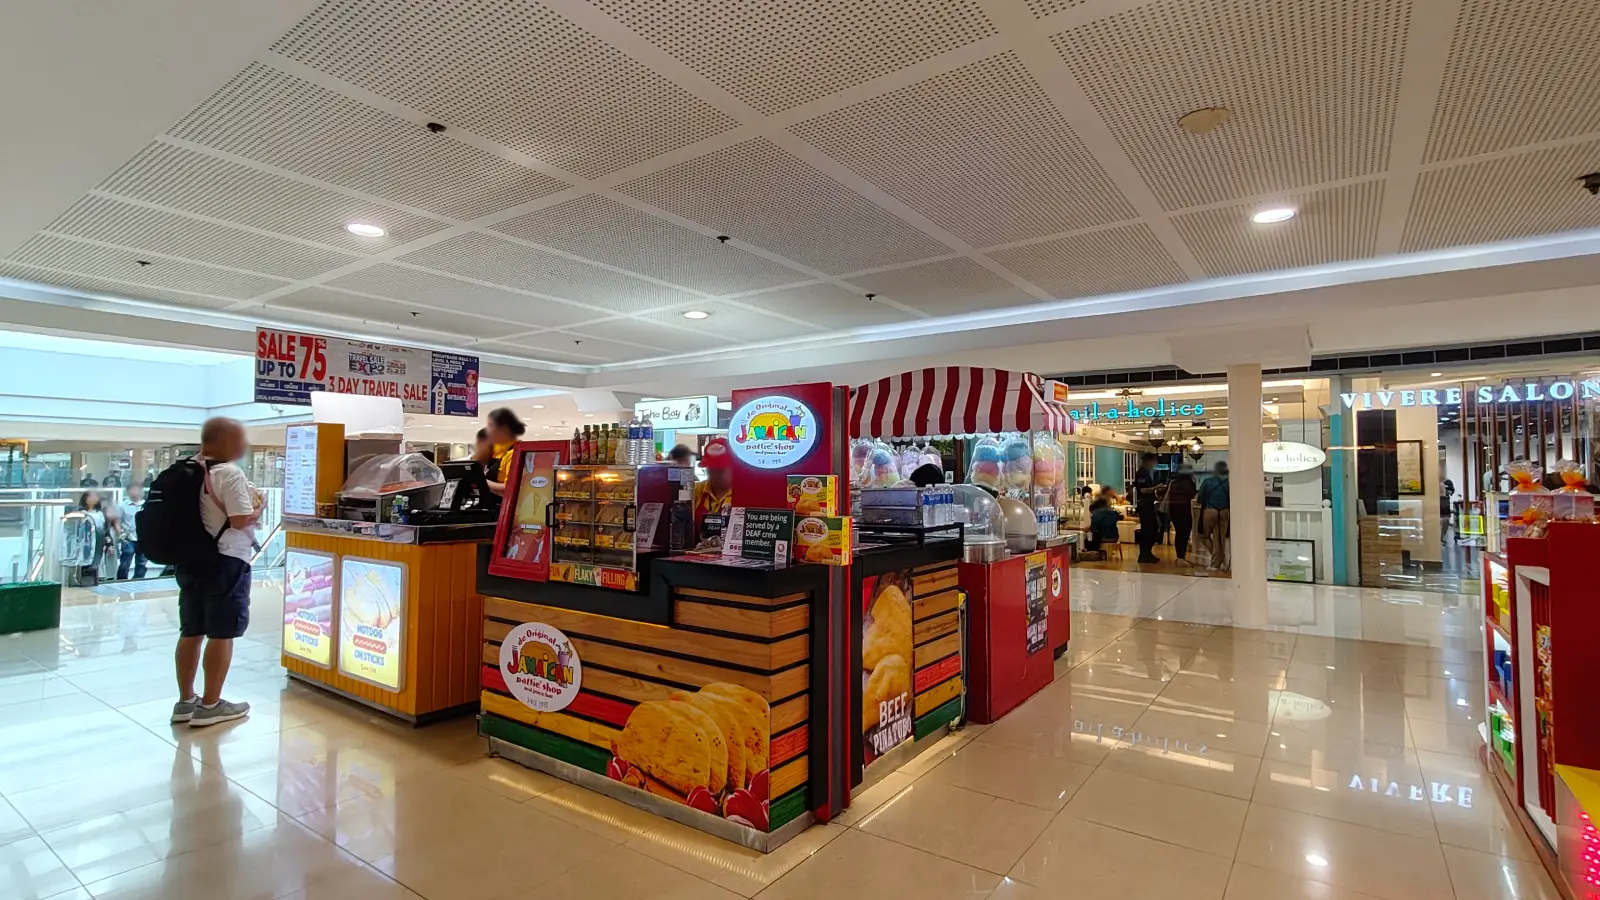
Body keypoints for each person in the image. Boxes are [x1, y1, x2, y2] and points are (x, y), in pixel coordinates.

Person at [172, 417, 264, 728]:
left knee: (191, 630)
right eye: (240, 439)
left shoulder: (189, 470)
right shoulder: (229, 474)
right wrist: (259, 509)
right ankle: (211, 704)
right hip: (226, 560)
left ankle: (185, 701)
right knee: (222, 632)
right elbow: (239, 520)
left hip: (191, 559)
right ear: (223, 442)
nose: (244, 445)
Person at [692, 436, 733, 539]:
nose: (714, 475)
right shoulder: (696, 490)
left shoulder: (742, 493)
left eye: (720, 470)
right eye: (711, 469)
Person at [483, 408, 526, 497]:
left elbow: (509, 489)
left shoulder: (513, 454)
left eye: (491, 426)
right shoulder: (494, 452)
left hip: (502, 507)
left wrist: (481, 481)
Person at [1197, 461, 1231, 570]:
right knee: (1220, 538)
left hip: (1210, 510)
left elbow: (1200, 498)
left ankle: (1216, 560)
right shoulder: (1229, 482)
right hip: (1225, 511)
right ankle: (1220, 560)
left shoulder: (1208, 481)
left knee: (1203, 535)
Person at [1165, 464, 1199, 565]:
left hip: (1174, 510)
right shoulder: (1190, 484)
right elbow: (1193, 496)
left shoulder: (1173, 483)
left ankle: (1179, 556)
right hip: (1185, 510)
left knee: (1179, 533)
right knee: (1184, 534)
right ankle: (1181, 557)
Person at [76, 490, 112, 583]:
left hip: (98, 541)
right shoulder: (79, 512)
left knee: (98, 561)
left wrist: (109, 543)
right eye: (90, 497)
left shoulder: (101, 513)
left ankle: (98, 579)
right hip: (84, 542)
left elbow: (106, 529)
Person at [1132, 453, 1161, 563]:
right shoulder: (1141, 474)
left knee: (1153, 528)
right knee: (1148, 529)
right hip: (1144, 505)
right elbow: (1143, 490)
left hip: (1148, 504)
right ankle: (1144, 554)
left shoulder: (1147, 473)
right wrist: (1156, 487)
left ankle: (1147, 552)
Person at [116, 483, 148, 579]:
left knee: (142, 563)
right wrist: (121, 535)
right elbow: (117, 522)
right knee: (125, 562)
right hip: (128, 538)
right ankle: (121, 581)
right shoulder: (122, 506)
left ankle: (138, 581)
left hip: (143, 538)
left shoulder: (146, 505)